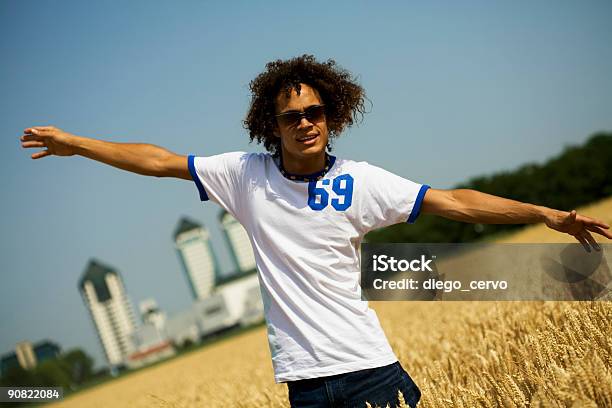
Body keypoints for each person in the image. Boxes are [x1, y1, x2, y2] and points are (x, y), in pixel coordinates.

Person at [20, 55, 610, 408]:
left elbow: (455, 202)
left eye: (315, 112)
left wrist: (544, 213)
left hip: (371, 373)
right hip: (304, 386)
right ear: (269, 126)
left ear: (333, 116)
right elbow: (161, 160)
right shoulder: (243, 176)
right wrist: (78, 145)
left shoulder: (363, 180)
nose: (305, 122)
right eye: (290, 115)